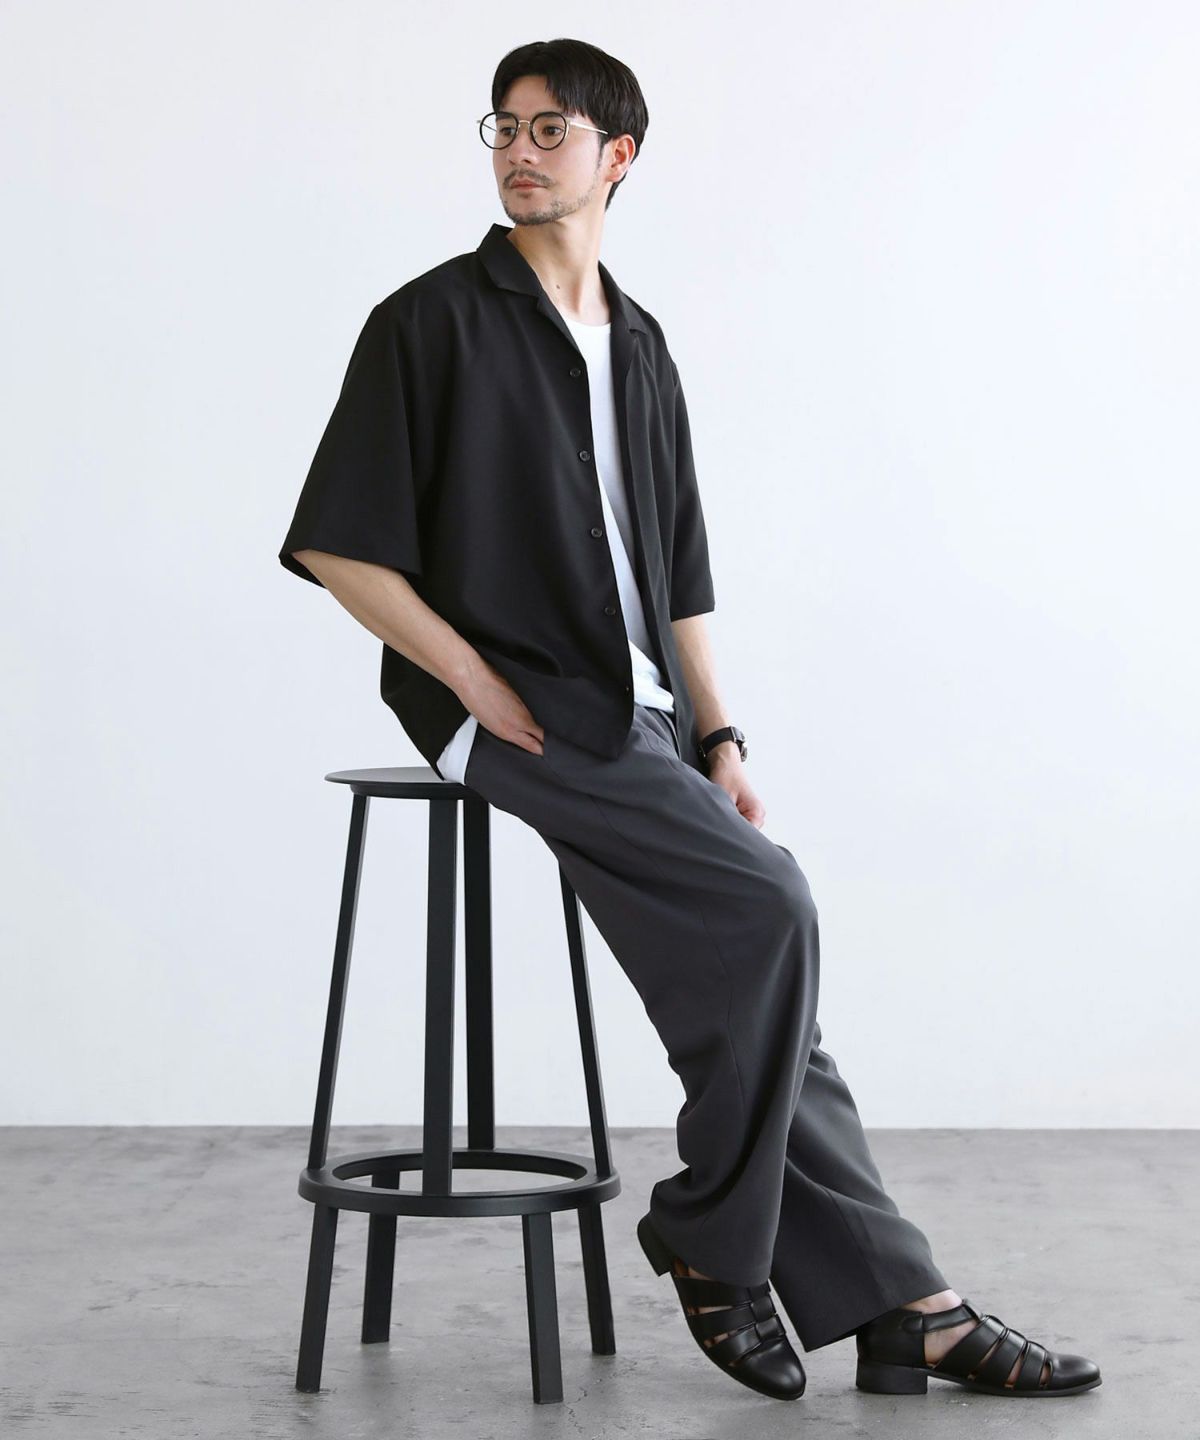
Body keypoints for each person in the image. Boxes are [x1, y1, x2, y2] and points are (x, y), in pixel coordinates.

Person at [278, 37, 1101, 1402]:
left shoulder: (642, 344)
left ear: (618, 156)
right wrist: (471, 681)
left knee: (767, 1008)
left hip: (638, 716)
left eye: (550, 129)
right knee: (775, 909)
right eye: (505, 127)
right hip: (528, 715)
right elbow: (337, 544)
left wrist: (720, 738)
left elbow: (682, 573)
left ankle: (908, 1306)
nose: (519, 151)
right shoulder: (429, 322)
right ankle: (713, 1244)